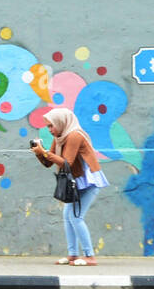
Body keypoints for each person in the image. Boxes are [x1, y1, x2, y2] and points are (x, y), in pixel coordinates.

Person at [31, 107, 109, 266]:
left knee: (75, 217)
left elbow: (67, 163)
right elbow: (48, 163)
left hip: (89, 181)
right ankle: (73, 254)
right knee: (68, 216)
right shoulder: (59, 138)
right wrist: (40, 153)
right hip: (76, 181)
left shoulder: (74, 135)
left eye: (52, 125)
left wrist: (45, 152)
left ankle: (90, 256)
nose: (50, 129)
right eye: (48, 127)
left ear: (62, 122)